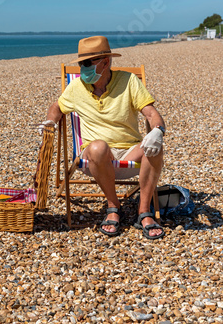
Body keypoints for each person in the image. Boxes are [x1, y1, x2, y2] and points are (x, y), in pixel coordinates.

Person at [39, 36, 166, 239]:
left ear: (105, 62)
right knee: (99, 147)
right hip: (95, 158)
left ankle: (144, 212)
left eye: (87, 63)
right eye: (81, 63)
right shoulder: (76, 87)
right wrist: (50, 124)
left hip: (129, 152)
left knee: (155, 146)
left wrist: (158, 131)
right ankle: (113, 206)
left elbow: (151, 113)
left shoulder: (128, 81)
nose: (83, 68)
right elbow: (56, 107)